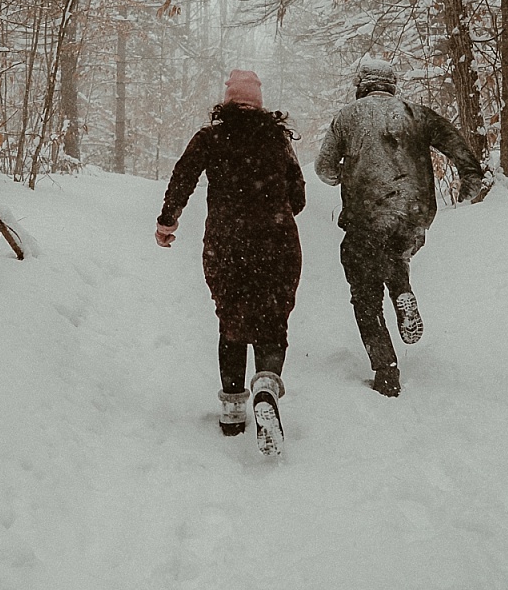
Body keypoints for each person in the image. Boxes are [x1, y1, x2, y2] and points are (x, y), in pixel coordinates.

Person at [315, 58, 489, 397]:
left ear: (361, 84)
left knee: (364, 294)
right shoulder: (417, 113)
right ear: (392, 85)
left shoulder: (348, 116)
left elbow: (324, 168)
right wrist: (470, 178)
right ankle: (402, 293)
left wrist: (342, 174)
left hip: (367, 215)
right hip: (415, 211)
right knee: (395, 255)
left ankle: (386, 371)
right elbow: (454, 143)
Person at [156, 69, 305, 455]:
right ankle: (267, 387)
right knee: (273, 321)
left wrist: (168, 220)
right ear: (259, 105)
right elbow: (299, 197)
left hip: (227, 243)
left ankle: (232, 413)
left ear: (226, 102)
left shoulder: (211, 137)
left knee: (233, 318)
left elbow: (183, 175)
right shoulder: (277, 139)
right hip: (278, 242)